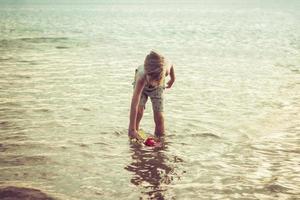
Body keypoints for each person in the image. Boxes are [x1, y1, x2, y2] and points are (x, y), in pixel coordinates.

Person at [128, 51, 175, 139]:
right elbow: (134, 102)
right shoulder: (141, 77)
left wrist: (172, 79)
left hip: (158, 88)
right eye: (152, 79)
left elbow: (170, 63)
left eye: (157, 79)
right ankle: (135, 135)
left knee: (159, 117)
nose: (153, 83)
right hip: (142, 87)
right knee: (138, 111)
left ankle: (160, 140)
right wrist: (131, 129)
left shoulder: (165, 71)